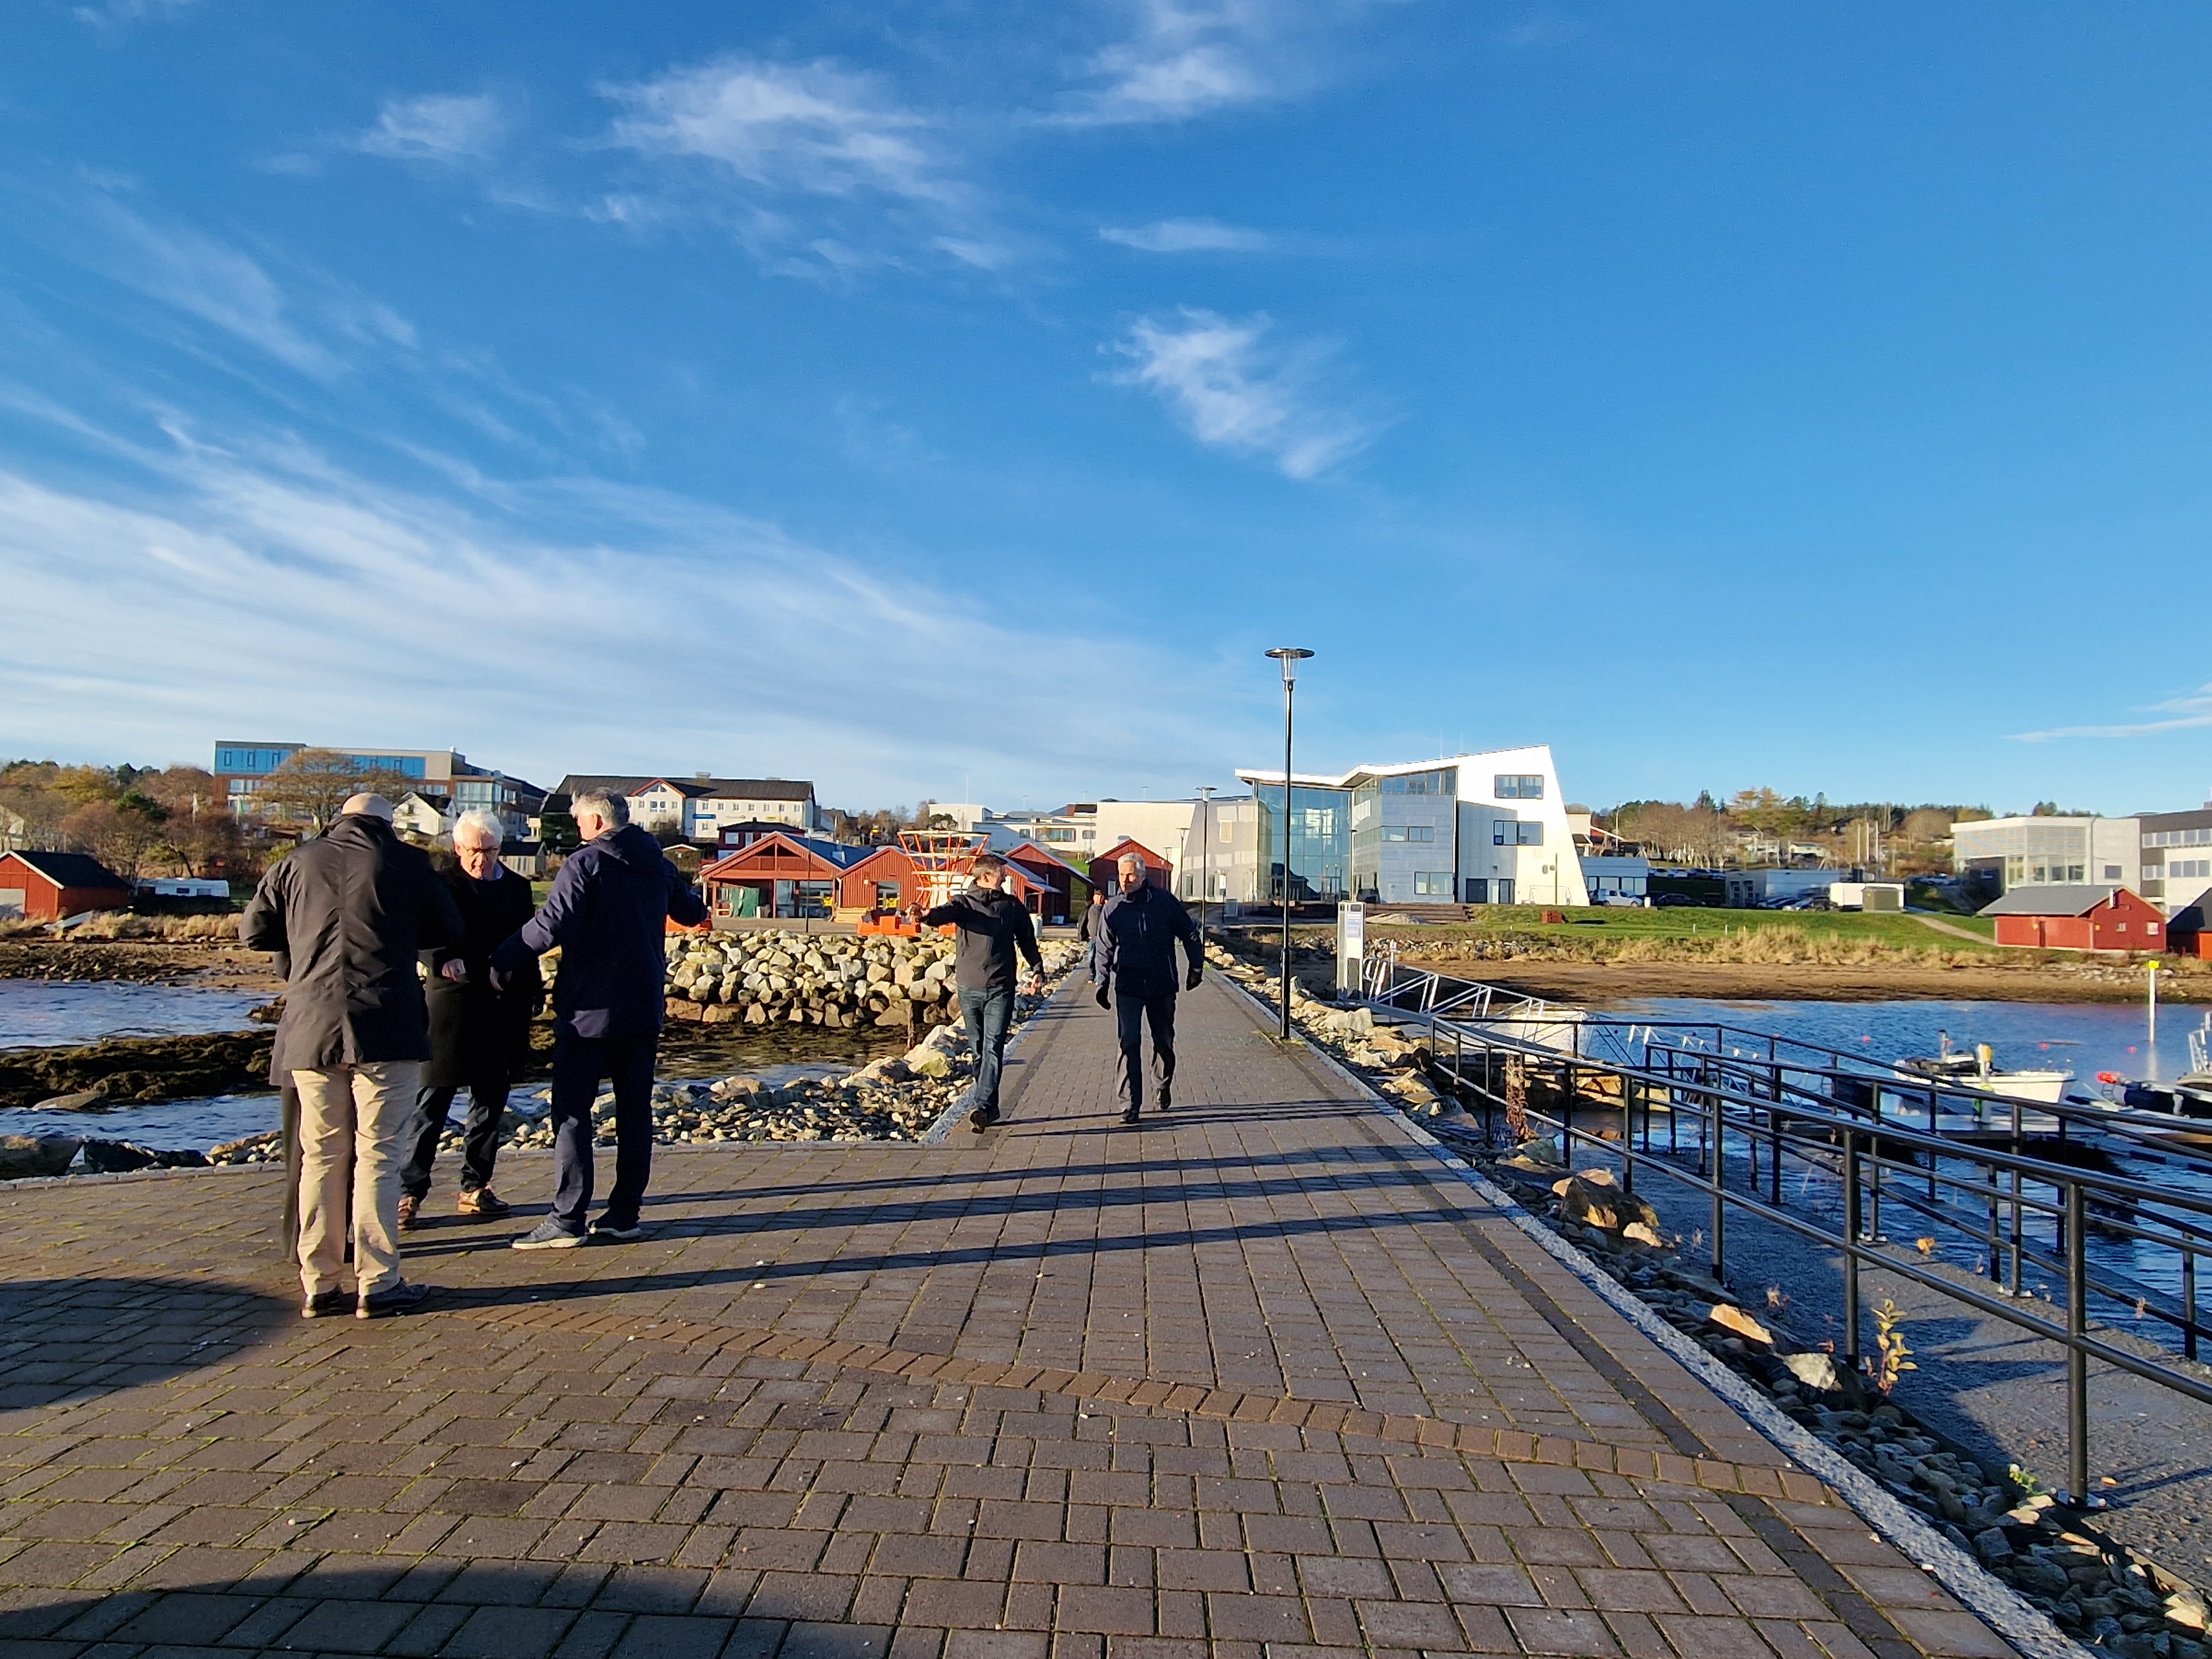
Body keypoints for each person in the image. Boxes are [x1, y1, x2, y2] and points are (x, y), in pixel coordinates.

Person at [241, 793, 462, 1318]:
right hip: (387, 1025)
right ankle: (378, 1281)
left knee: (319, 1157)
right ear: (388, 824)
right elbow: (449, 929)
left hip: (312, 1027)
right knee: (379, 1157)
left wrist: (299, 954)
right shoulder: (408, 862)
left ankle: (318, 1281)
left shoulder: (295, 861)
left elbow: (254, 931)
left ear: (340, 818)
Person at [492, 789, 707, 1248]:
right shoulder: (658, 863)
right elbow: (691, 912)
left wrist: (499, 959)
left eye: (577, 821)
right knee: (635, 1113)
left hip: (589, 1010)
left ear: (594, 821)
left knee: (571, 1113)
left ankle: (567, 1218)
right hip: (642, 1006)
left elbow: (551, 925)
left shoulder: (585, 864)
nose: (575, 829)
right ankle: (624, 1212)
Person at [398, 809, 541, 1229]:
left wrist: (531, 992)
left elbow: (527, 941)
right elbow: (420, 937)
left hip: (503, 1004)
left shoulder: (517, 888)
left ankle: (474, 1187)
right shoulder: (439, 884)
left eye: (491, 851)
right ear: (458, 848)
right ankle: (409, 1193)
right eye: (474, 852)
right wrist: (442, 959)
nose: (482, 860)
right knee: (432, 1103)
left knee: (490, 1103)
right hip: (451, 1005)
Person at [921, 853, 1043, 1133]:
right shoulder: (963, 904)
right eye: (1002, 873)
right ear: (986, 877)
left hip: (1001, 986)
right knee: (978, 1049)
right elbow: (941, 916)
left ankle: (983, 1106)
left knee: (993, 1046)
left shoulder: (1011, 906)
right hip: (969, 986)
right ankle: (991, 1106)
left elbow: (1026, 939)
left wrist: (1037, 968)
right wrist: (926, 915)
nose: (1006, 877)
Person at [1093, 851, 1203, 1126]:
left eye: (1131, 875)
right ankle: (1129, 1105)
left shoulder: (1164, 902)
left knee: (1163, 1042)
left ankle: (1162, 1084)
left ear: (1143, 876)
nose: (1125, 881)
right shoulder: (1114, 908)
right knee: (1128, 1041)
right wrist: (1102, 981)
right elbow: (1104, 947)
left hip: (1161, 984)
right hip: (1128, 986)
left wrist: (1196, 967)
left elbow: (1189, 932)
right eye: (1121, 875)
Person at [1076, 886, 1108, 981]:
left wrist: (1107, 905)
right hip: (1092, 938)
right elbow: (1083, 921)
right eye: (1096, 896)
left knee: (1101, 959)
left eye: (1100, 897)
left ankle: (1099, 978)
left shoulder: (1105, 909)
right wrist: (1084, 935)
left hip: (1102, 939)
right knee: (1091, 958)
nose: (1098, 899)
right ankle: (1092, 974)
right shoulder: (1089, 908)